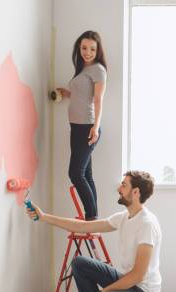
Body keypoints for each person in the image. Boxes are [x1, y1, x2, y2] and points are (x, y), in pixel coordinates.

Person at [25, 171, 161, 292]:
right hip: (130, 282)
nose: (119, 189)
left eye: (124, 185)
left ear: (136, 192)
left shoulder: (146, 224)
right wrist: (44, 217)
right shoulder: (125, 217)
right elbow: (83, 227)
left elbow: (138, 275)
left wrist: (106, 291)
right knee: (79, 263)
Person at [57, 30, 107, 220]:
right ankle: (92, 217)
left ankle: (91, 217)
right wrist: (66, 93)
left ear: (97, 50)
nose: (88, 52)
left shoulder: (98, 70)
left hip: (88, 127)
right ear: (79, 48)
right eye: (84, 48)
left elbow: (98, 100)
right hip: (76, 128)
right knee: (86, 174)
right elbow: (81, 96)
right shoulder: (83, 70)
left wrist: (95, 126)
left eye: (92, 49)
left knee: (76, 173)